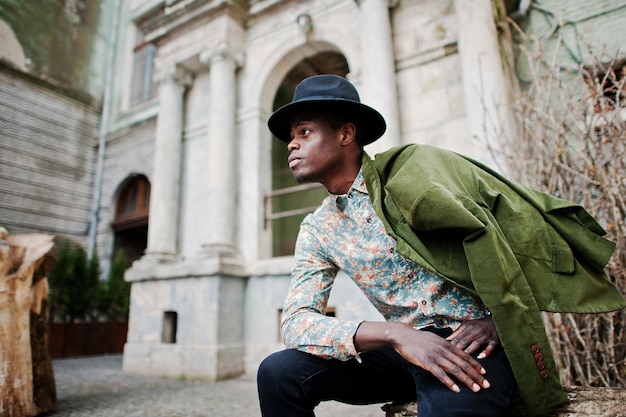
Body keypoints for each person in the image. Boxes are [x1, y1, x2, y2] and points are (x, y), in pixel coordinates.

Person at [257, 74, 626, 417]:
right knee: (278, 372)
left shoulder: (416, 174)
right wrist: (395, 334)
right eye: (291, 135)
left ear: (345, 134)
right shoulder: (318, 228)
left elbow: (512, 235)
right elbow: (296, 322)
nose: (291, 144)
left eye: (305, 132)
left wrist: (500, 319)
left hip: (470, 344)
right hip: (402, 349)